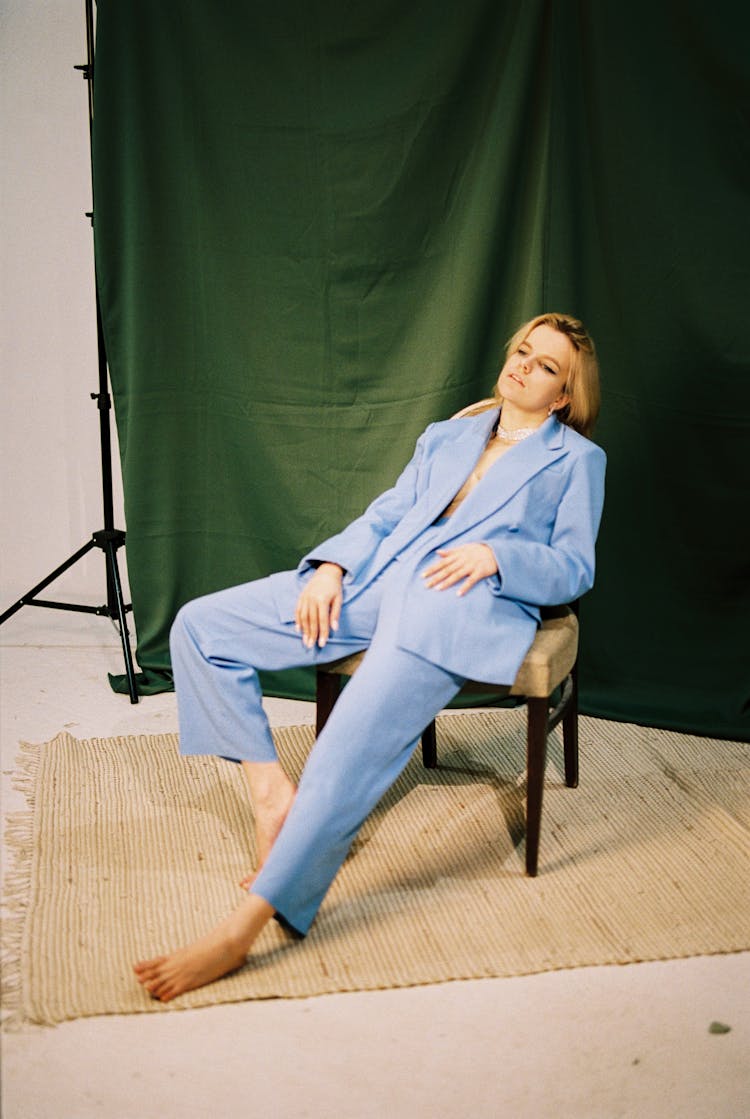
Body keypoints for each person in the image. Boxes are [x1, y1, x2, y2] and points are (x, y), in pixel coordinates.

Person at [134, 311, 606, 1001]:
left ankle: (244, 926)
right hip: (376, 579)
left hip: (456, 605)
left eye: (545, 366)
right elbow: (385, 514)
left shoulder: (578, 460)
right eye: (522, 351)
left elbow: (573, 567)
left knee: (347, 744)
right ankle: (272, 797)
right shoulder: (448, 434)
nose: (523, 367)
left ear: (563, 394)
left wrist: (499, 554)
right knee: (202, 627)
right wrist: (331, 567)